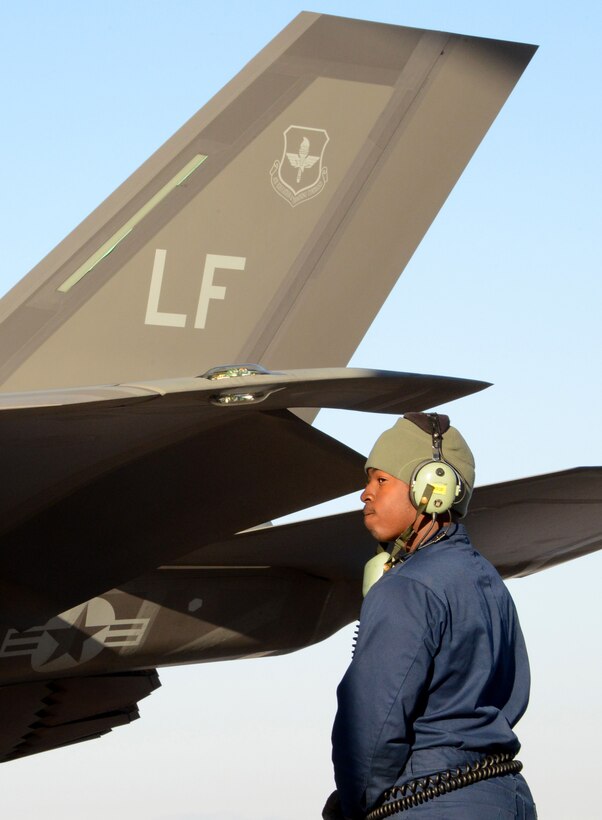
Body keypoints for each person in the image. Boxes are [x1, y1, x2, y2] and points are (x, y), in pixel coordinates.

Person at [323, 413, 536, 819]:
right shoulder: (489, 583)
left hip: (430, 802)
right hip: (508, 798)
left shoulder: (407, 588)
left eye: (381, 480)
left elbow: (371, 724)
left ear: (432, 490)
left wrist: (352, 803)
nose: (365, 494)